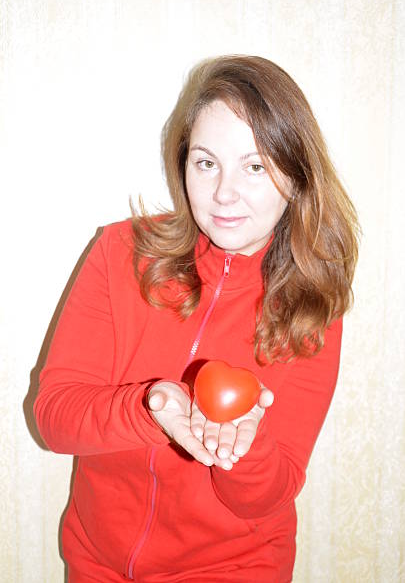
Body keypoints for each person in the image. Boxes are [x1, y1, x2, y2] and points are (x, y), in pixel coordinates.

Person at [34, 55, 359, 582]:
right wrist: (148, 407)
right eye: (206, 163)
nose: (224, 192)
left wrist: (245, 448)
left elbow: (270, 495)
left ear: (297, 179)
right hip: (98, 564)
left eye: (255, 166)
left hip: (235, 569)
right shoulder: (120, 251)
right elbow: (54, 417)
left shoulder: (312, 302)